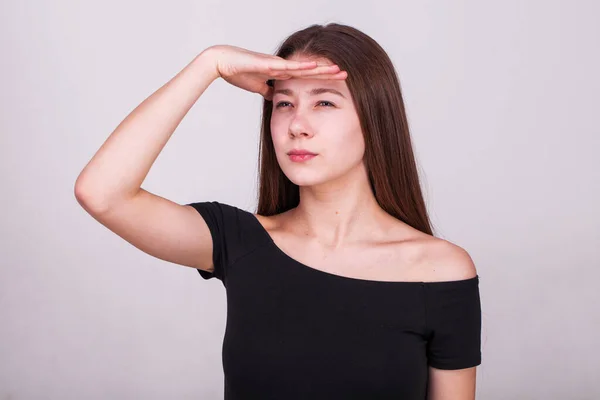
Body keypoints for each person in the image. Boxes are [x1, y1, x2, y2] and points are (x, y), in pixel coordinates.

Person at [75, 23, 481, 400]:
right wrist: (208, 65)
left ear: (375, 117)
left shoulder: (440, 270)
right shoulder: (242, 243)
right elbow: (102, 193)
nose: (297, 125)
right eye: (284, 104)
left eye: (324, 101)